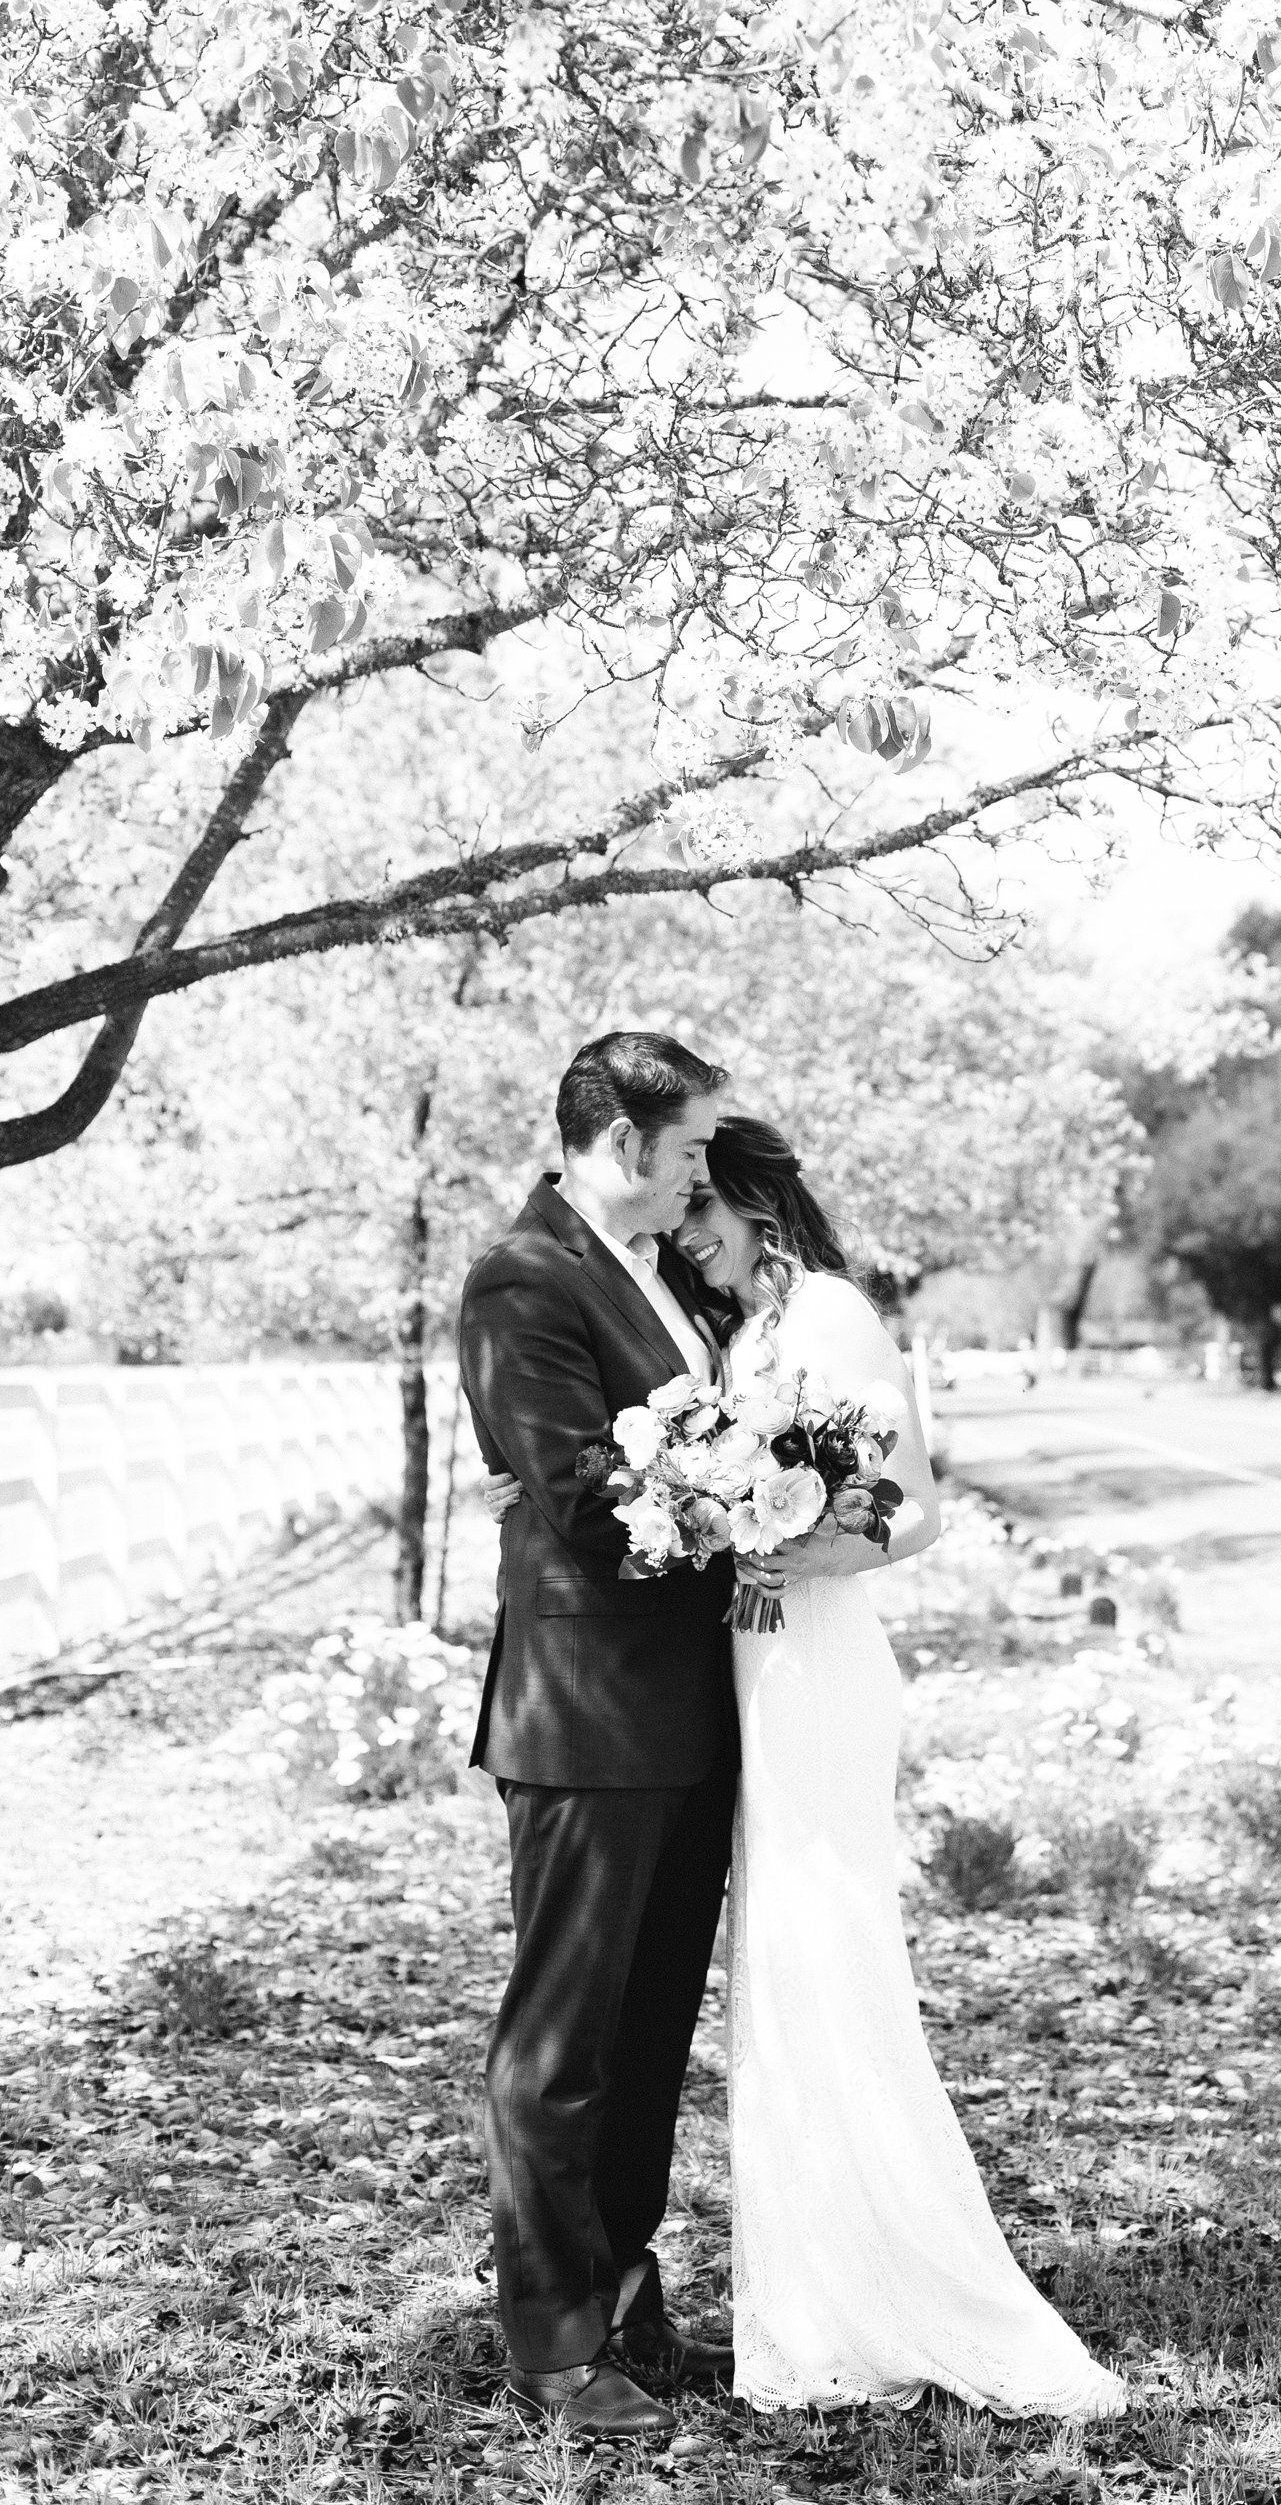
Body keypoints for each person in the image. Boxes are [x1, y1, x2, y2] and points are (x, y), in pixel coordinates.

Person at [676, 1114, 1126, 2418]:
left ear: (760, 1204)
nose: (686, 1231)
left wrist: (803, 1545)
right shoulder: (747, 1335)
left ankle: (913, 2292)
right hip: (760, 1663)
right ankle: (815, 2303)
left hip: (819, 1666)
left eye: (702, 1207)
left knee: (832, 1955)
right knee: (780, 1970)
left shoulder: (830, 1315)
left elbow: (914, 1507)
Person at [457, 1030, 738, 2443]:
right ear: (620, 1138)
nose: (703, 1167)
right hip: (585, 1717)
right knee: (560, 2045)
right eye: (688, 1143)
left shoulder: (663, 1270)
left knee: (647, 2035)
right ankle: (551, 2342)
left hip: (692, 1718)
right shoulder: (526, 1276)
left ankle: (623, 2282)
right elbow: (576, 1489)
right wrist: (750, 1496)